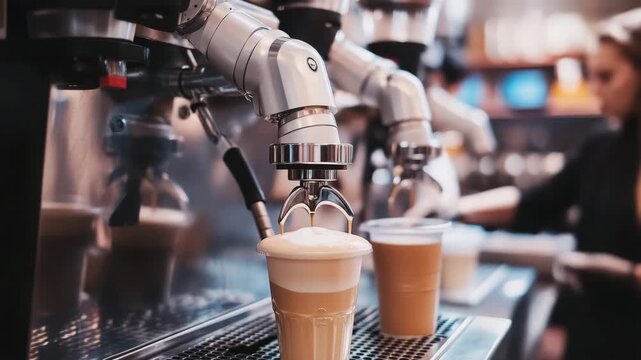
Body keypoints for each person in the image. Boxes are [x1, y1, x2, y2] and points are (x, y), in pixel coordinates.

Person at [456, 8, 641, 360]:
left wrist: (626, 274)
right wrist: (455, 210)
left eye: (607, 75)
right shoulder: (602, 146)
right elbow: (536, 203)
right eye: (592, 75)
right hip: (591, 331)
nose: (594, 87)